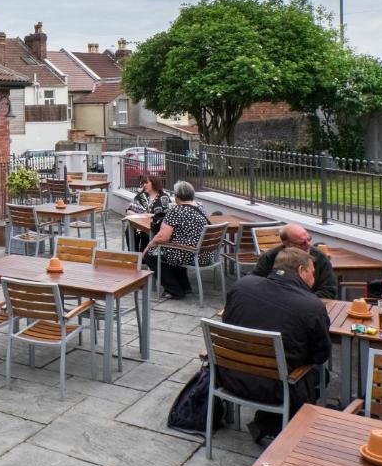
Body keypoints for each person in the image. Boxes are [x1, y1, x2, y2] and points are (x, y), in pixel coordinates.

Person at [221, 248, 331, 443]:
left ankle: (266, 422)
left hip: (228, 376)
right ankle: (277, 426)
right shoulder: (311, 306)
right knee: (319, 374)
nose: (314, 278)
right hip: (275, 388)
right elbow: (320, 355)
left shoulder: (242, 286)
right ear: (301, 271)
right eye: (313, 273)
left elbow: (227, 322)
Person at [143, 181, 212, 300]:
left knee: (151, 255)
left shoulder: (176, 211)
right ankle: (185, 287)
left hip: (191, 254)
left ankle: (174, 290)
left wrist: (148, 247)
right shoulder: (200, 207)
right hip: (205, 254)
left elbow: (162, 237)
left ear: (177, 196)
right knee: (172, 250)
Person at [249, 224, 337, 298]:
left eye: (309, 239)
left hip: (310, 306)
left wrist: (303, 301)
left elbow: (329, 291)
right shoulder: (269, 257)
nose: (308, 245)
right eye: (302, 243)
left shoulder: (320, 257)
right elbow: (255, 283)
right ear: (286, 243)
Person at [125, 174, 172, 252]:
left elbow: (167, 215)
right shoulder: (141, 196)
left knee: (146, 234)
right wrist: (141, 215)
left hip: (155, 226)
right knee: (129, 230)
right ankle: (134, 254)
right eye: (143, 183)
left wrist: (151, 216)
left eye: (146, 183)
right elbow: (129, 210)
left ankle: (145, 255)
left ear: (154, 183)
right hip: (140, 224)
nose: (144, 185)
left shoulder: (164, 197)